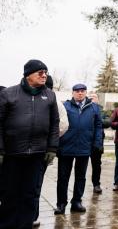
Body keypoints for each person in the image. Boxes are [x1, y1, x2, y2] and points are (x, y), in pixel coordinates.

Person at [0, 59, 59, 229]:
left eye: (46, 72)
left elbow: (54, 123)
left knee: (30, 194)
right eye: (40, 72)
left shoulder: (49, 95)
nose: (44, 75)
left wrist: (52, 148)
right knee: (10, 193)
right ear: (28, 75)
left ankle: (25, 225)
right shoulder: (9, 94)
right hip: (13, 154)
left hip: (37, 155)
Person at [54, 83, 103, 215]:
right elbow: (57, 124)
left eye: (82, 91)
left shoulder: (94, 108)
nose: (80, 93)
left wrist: (97, 143)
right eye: (77, 91)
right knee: (63, 177)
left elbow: (98, 126)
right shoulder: (65, 106)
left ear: (86, 92)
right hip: (66, 146)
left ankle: (76, 202)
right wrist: (56, 144)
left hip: (85, 147)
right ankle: (61, 204)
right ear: (73, 93)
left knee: (81, 177)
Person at [32, 75, 69, 227]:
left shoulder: (55, 102)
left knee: (35, 183)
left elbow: (63, 125)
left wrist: (50, 140)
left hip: (42, 150)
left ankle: (33, 215)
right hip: (23, 149)